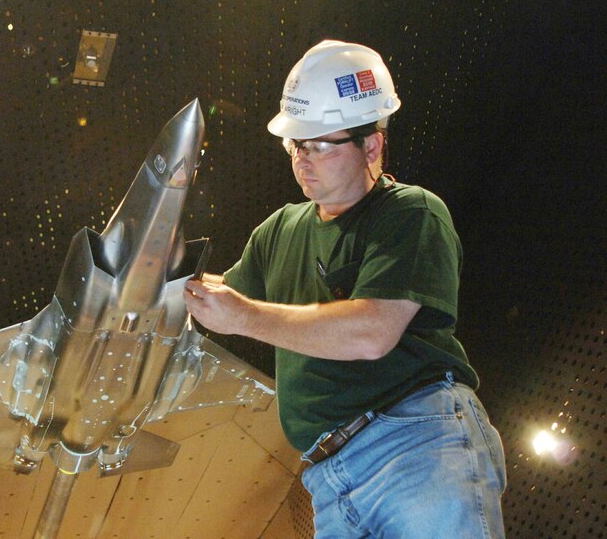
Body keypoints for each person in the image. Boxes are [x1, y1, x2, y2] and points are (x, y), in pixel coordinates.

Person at [184, 40, 506, 538]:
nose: (301, 160)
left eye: (318, 145)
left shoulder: (410, 213)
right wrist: (156, 275)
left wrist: (244, 316)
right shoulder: (280, 229)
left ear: (371, 146)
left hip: (414, 445)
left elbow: (370, 332)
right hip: (327, 478)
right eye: (296, 146)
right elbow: (220, 299)